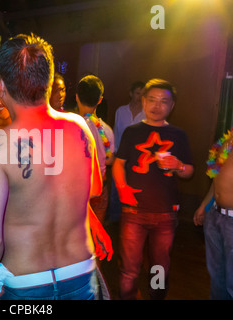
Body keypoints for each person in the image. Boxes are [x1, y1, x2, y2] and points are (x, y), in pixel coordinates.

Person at [0, 33, 110, 300]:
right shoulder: (79, 127)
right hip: (81, 273)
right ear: (48, 80)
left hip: (26, 282)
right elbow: (95, 188)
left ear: (1, 86)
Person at [112, 78, 194, 300]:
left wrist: (178, 165)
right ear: (144, 101)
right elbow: (119, 163)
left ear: (172, 105)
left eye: (163, 101)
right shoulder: (131, 131)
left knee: (159, 267)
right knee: (129, 269)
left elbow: (189, 171)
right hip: (133, 211)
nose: (157, 106)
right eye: (151, 100)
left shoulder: (179, 135)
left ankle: (156, 297)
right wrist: (122, 189)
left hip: (165, 213)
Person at [194, 130, 233, 300]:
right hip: (215, 216)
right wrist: (204, 205)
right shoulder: (227, 141)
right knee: (217, 275)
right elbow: (216, 179)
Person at [76, 75, 115, 223]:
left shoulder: (72, 127)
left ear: (77, 97)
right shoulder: (107, 130)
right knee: (95, 236)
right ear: (100, 100)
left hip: (76, 190)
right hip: (99, 190)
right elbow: (110, 159)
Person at [109, 81, 146, 223]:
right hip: (120, 156)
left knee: (134, 190)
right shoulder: (121, 111)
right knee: (115, 190)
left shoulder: (146, 113)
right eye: (137, 93)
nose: (140, 97)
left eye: (143, 94)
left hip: (137, 159)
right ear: (131, 94)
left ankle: (130, 220)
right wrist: (114, 152)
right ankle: (114, 219)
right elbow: (116, 132)